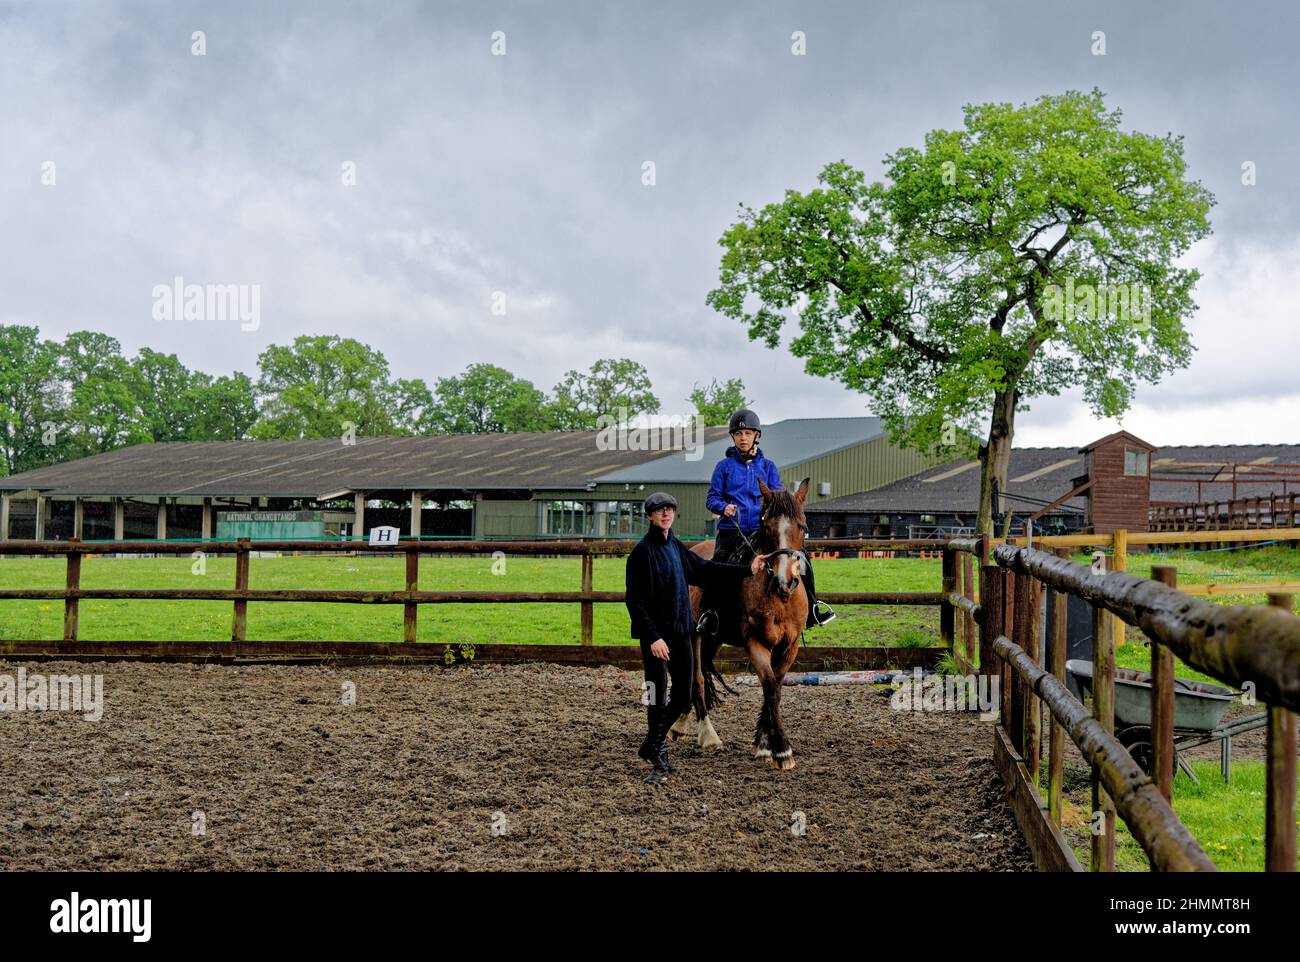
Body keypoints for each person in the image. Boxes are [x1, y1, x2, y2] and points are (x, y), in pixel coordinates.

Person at [624, 491, 766, 785]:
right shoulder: (642, 552)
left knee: (685, 694)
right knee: (657, 694)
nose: (665, 514)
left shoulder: (675, 546)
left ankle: (652, 742)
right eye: (659, 510)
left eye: (670, 510)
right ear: (650, 516)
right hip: (657, 639)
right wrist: (652, 638)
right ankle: (659, 759)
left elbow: (706, 570)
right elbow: (635, 601)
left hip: (682, 631)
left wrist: (747, 570)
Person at [696, 408, 836, 639]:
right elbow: (711, 498)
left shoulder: (768, 466)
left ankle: (813, 608)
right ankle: (711, 615)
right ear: (733, 437)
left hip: (763, 531)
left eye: (748, 433)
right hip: (733, 531)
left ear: (756, 436)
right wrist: (723, 507)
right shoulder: (724, 467)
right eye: (738, 434)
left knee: (804, 561)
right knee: (719, 566)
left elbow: (777, 497)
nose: (743, 438)